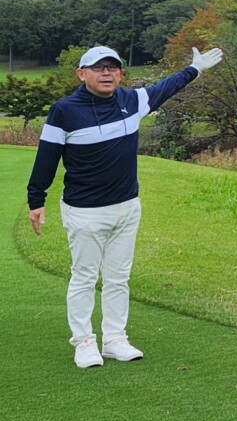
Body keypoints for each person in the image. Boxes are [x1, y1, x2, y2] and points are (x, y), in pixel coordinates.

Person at [27, 44, 223, 368]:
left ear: (120, 73)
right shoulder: (65, 110)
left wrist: (195, 69)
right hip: (85, 211)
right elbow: (46, 157)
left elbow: (165, 88)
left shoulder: (132, 101)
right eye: (98, 67)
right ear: (82, 73)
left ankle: (115, 339)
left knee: (118, 278)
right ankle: (84, 342)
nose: (106, 73)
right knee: (85, 277)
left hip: (127, 208)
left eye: (112, 67)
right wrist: (37, 199)